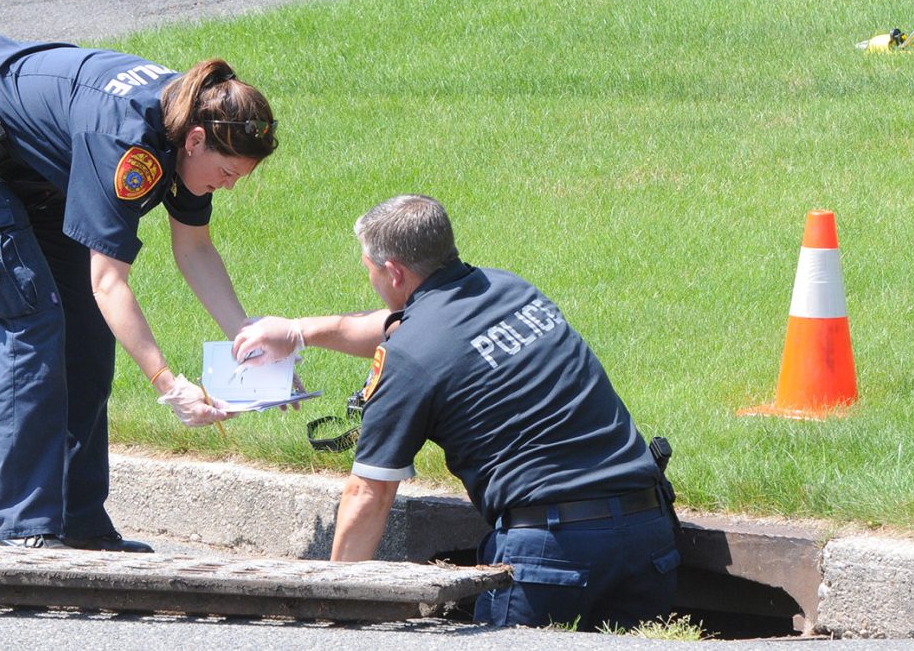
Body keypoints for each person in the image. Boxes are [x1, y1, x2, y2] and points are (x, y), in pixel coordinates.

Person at [232, 195, 680, 630]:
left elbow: (369, 496)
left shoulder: (409, 359)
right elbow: (405, 327)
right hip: (650, 536)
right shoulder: (511, 289)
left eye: (368, 269)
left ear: (393, 272)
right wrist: (295, 333)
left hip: (553, 558)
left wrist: (332, 610)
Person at [0, 35, 277, 551]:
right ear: (195, 141)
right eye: (226, 173)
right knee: (32, 320)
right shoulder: (131, 144)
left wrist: (250, 340)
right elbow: (110, 282)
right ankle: (21, 529)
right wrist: (169, 385)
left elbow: (193, 249)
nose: (230, 186)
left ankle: (78, 522)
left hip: (39, 174)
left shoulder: (185, 118)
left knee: (86, 332)